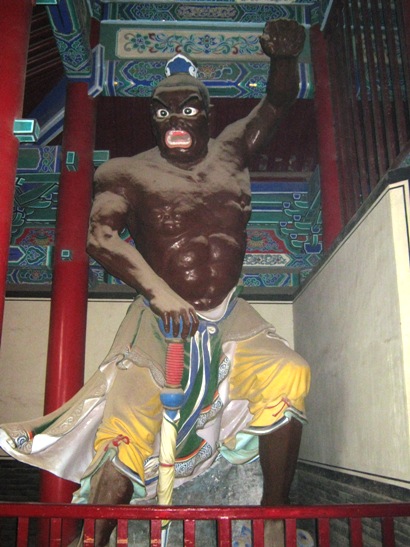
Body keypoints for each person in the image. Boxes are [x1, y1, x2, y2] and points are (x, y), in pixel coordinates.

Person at [0, 19, 310, 547]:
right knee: (125, 425)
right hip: (159, 317)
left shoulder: (233, 152)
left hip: (229, 312)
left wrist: (283, 59)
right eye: (163, 112)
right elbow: (100, 236)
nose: (175, 120)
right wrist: (160, 294)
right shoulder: (126, 173)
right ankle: (94, 538)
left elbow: (276, 103)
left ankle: (276, 513)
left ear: (208, 115)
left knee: (289, 372)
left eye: (188, 109)